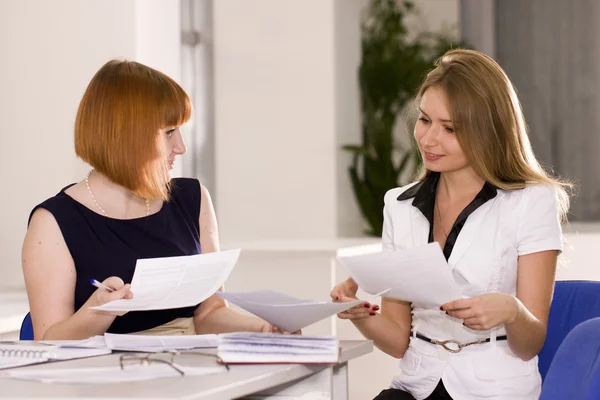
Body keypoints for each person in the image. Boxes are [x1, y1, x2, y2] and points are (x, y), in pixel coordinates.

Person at [331, 49, 571, 400]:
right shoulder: (399, 206)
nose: (428, 139)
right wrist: (359, 315)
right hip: (417, 384)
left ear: (487, 132)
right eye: (424, 120)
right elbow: (399, 340)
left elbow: (530, 344)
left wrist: (511, 309)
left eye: (449, 129)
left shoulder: (532, 201)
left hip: (494, 389)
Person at [22, 60, 283, 340]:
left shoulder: (193, 200)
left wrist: (264, 328)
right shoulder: (53, 222)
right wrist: (97, 311)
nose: (181, 147)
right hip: (104, 377)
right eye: (169, 132)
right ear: (125, 136)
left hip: (188, 368)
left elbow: (209, 314)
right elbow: (47, 342)